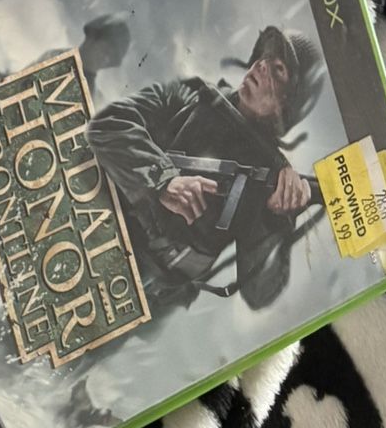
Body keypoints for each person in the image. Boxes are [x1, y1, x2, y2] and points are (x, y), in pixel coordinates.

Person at [86, 25, 325, 311]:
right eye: (264, 57)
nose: (261, 65)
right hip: (99, 226)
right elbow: (108, 125)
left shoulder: (271, 184)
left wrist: (278, 217)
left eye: (278, 69)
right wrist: (163, 180)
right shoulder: (190, 96)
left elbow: (258, 292)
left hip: (146, 297)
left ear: (288, 103)